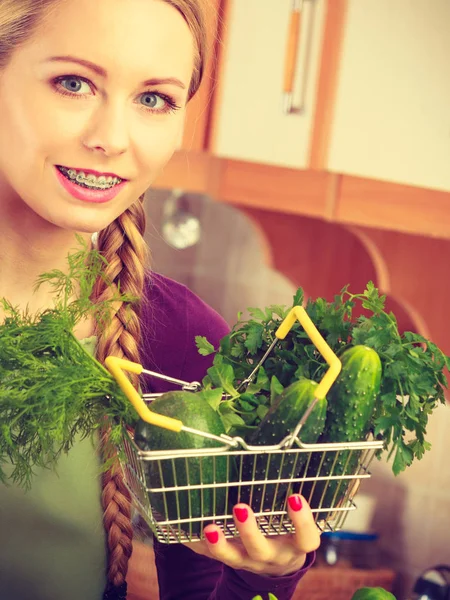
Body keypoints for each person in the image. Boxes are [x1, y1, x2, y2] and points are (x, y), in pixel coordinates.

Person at [0, 1, 321, 599]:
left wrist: (259, 570)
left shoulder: (178, 340)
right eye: (74, 83)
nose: (111, 139)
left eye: (154, 99)